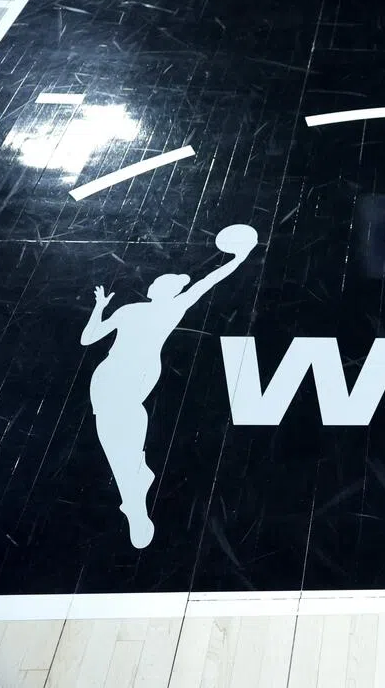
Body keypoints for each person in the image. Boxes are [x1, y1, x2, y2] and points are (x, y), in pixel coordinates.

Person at [81, 226, 257, 548]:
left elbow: (207, 282)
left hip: (119, 378)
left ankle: (134, 489)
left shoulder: (146, 309)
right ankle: (133, 490)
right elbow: (208, 282)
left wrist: (100, 308)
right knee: (117, 439)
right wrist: (238, 259)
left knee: (121, 437)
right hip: (117, 378)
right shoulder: (165, 308)